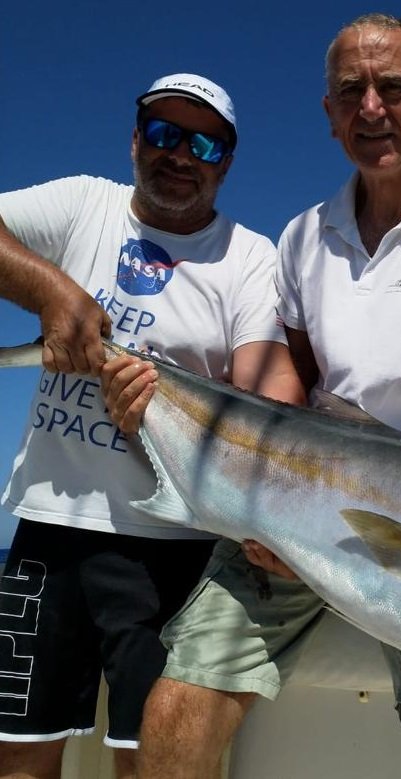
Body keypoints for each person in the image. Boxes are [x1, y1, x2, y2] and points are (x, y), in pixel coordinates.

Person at [108, 15, 401, 779]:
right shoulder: (301, 238)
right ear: (327, 115)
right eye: (349, 91)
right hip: (300, 503)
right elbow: (286, 387)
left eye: (391, 89)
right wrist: (260, 512)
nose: (370, 108)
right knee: (174, 714)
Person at [0, 73, 303, 779]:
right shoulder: (83, 203)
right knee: (17, 759)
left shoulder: (249, 255)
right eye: (163, 133)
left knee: (153, 761)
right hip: (50, 529)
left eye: (202, 142)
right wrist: (51, 289)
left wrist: (281, 511)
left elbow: (268, 388)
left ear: (224, 162)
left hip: (175, 545)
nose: (179, 153)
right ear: (135, 141)